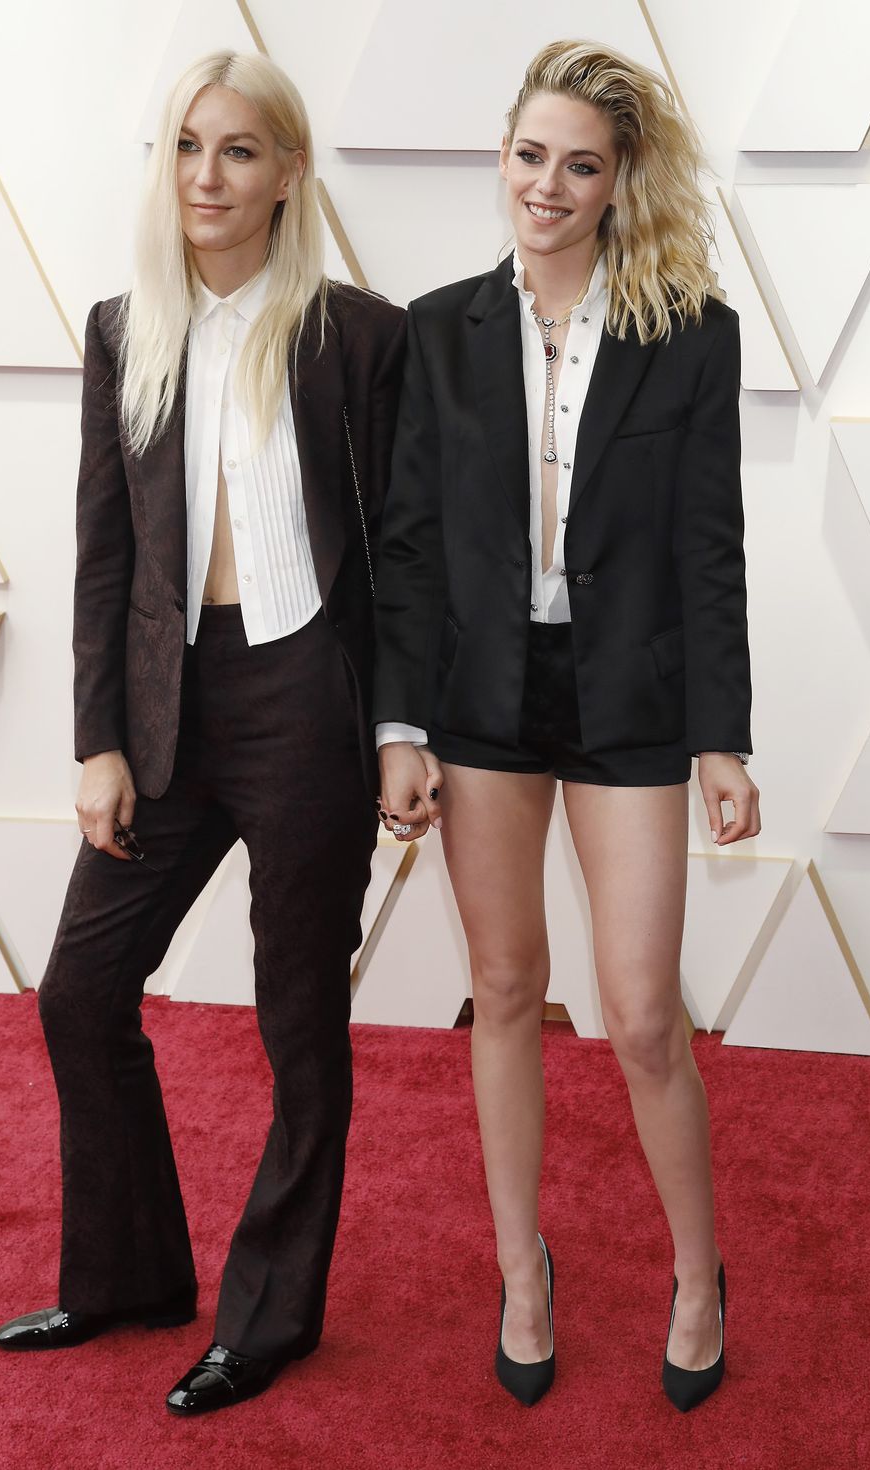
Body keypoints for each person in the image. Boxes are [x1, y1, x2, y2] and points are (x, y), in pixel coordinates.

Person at [0, 51, 405, 1417]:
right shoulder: (127, 330)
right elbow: (102, 556)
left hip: (305, 701)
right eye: (186, 148)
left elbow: (402, 559)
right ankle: (129, 1274)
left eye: (237, 151)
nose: (206, 177)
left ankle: (268, 1314)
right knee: (79, 990)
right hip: (168, 713)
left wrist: (401, 725)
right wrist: (95, 739)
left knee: (300, 1023)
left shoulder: (358, 335)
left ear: (288, 171)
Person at [373, 39, 759, 1412]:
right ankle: (520, 1268)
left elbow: (709, 544)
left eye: (579, 164)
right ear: (503, 156)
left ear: (615, 182)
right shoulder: (438, 330)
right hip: (479, 699)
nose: (547, 184)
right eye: (529, 155)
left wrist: (725, 735)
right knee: (507, 985)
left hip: (635, 700)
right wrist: (399, 724)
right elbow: (410, 547)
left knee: (643, 1011)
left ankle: (700, 1274)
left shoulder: (692, 333)